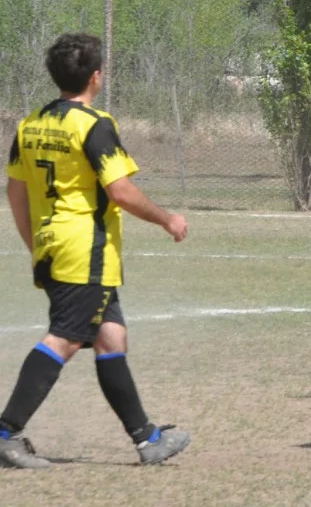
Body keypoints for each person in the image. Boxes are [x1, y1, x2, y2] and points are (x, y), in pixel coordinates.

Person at [0, 33, 191, 468]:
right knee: (66, 338)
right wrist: (167, 219)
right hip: (84, 248)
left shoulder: (31, 124)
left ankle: (147, 440)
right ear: (96, 76)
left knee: (111, 338)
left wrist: (38, 244)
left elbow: (15, 192)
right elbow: (121, 191)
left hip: (53, 245)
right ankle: (5, 431)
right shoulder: (94, 124)